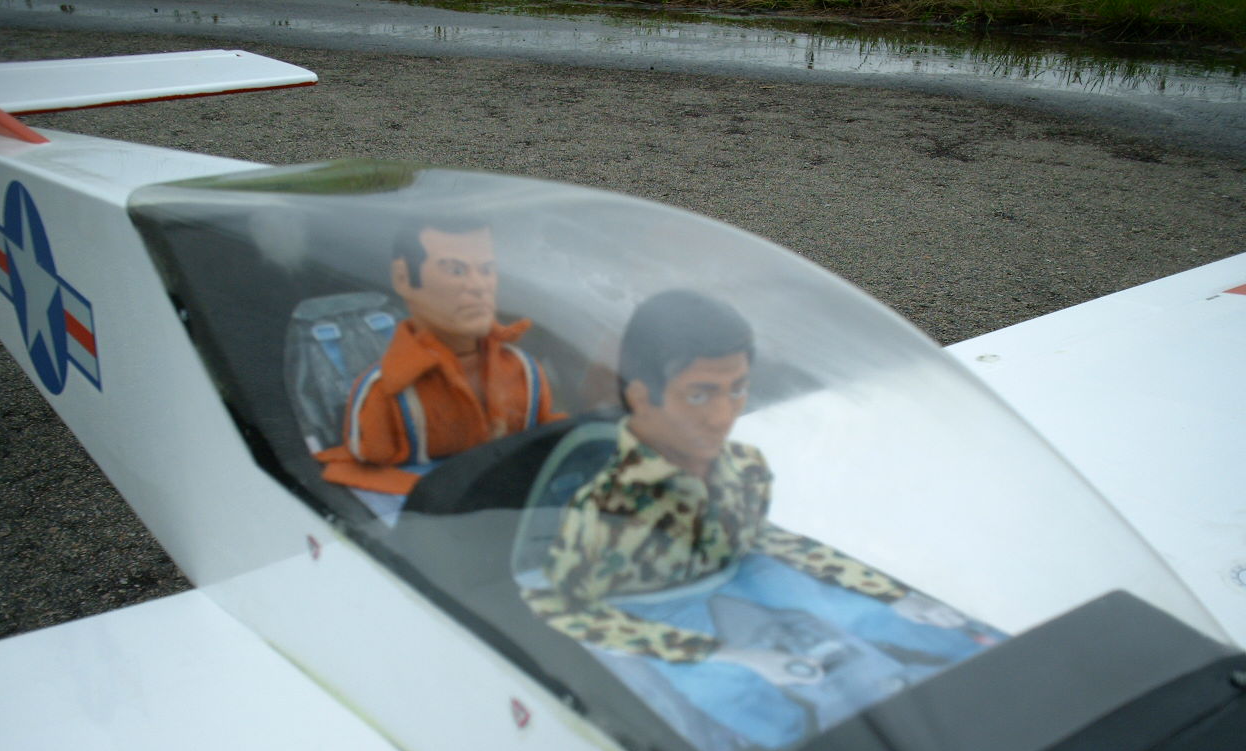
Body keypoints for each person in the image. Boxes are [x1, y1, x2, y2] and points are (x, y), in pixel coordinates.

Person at [525, 289, 968, 689]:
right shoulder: (604, 505)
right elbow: (558, 606)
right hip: (674, 655)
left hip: (746, 609)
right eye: (699, 395)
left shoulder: (745, 468)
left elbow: (766, 539)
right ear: (642, 397)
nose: (723, 416)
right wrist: (725, 656)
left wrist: (894, 596)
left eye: (737, 390)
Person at [317, 216, 558, 495]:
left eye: (487, 269)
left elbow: (550, 444)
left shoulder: (526, 373)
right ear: (403, 279)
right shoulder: (384, 393)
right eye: (456, 270)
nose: (479, 286)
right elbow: (363, 478)